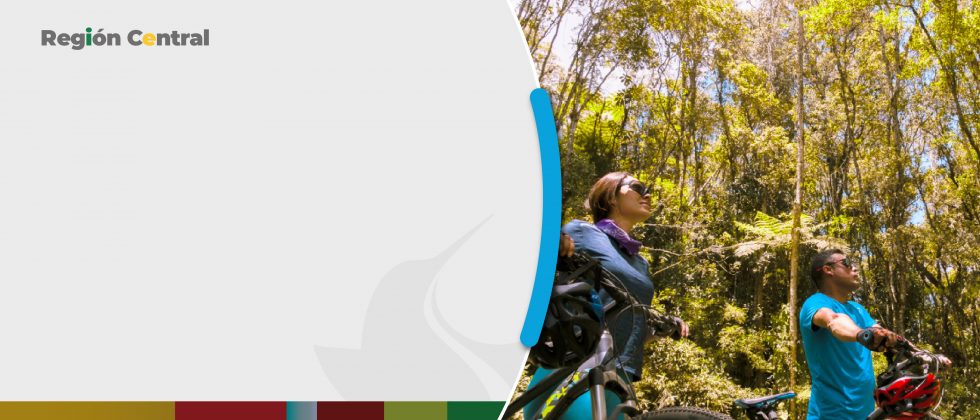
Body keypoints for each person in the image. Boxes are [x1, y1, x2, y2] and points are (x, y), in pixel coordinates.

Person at [524, 172, 688, 420]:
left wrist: (661, 328)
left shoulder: (641, 263)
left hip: (619, 375)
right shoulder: (582, 232)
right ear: (611, 196)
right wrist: (552, 243)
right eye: (638, 187)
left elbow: (629, 324)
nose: (647, 195)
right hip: (574, 364)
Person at [799, 249, 903, 419]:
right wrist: (860, 333)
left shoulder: (857, 309)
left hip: (867, 414)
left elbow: (882, 333)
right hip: (830, 415)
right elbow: (833, 321)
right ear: (828, 270)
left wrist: (923, 354)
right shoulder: (815, 303)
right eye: (846, 263)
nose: (854, 268)